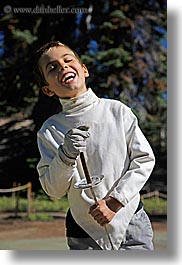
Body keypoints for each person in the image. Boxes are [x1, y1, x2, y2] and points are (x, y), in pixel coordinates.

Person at [34, 40, 155, 250]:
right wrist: (65, 156)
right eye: (52, 68)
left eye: (68, 60)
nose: (62, 67)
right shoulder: (49, 130)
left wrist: (115, 202)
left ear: (84, 69)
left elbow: (144, 159)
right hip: (83, 232)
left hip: (131, 221)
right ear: (48, 90)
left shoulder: (118, 111)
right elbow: (54, 190)